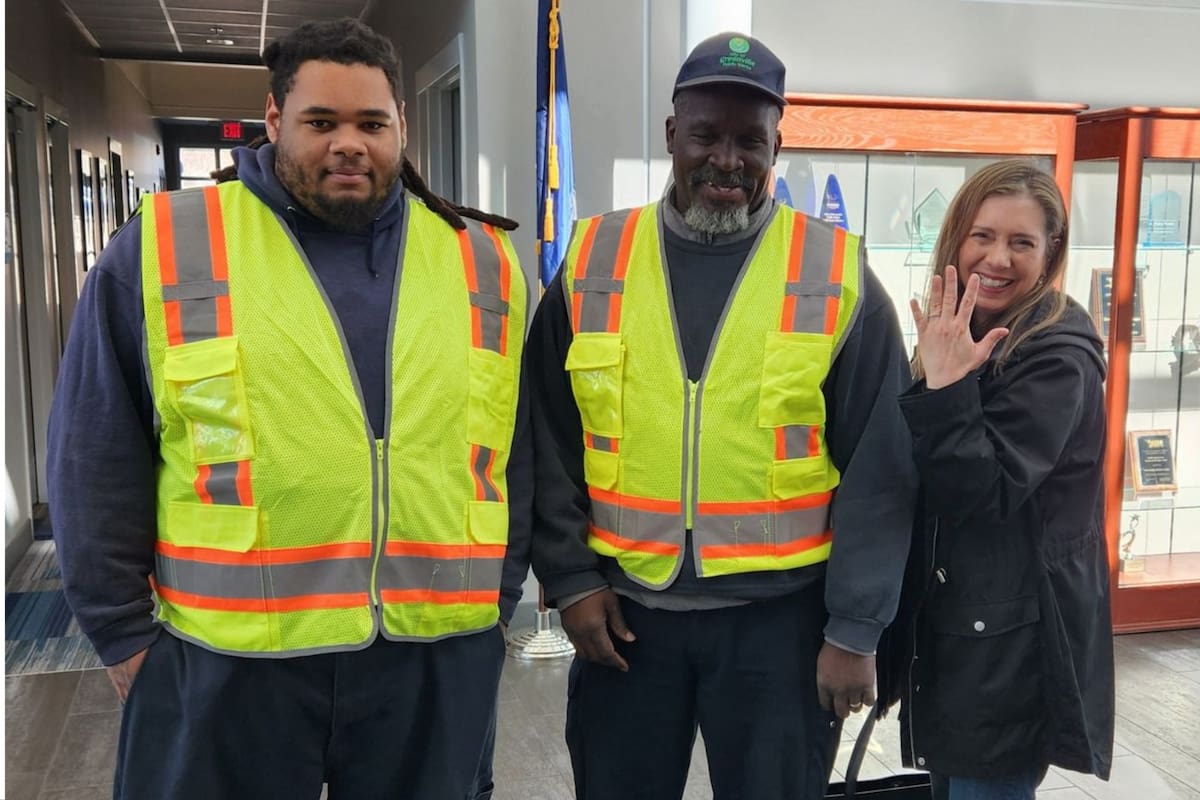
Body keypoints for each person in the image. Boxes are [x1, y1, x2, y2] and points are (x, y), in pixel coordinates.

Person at [47, 18, 530, 800]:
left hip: (434, 652)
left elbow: (517, 449)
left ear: (401, 125)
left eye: (372, 124)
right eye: (321, 122)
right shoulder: (169, 243)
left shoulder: (483, 258)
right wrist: (120, 632)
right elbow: (95, 447)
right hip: (231, 660)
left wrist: (499, 605)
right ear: (274, 121)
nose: (350, 144)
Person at [527, 32, 917, 800]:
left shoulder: (835, 274)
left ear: (779, 143)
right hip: (626, 616)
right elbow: (547, 434)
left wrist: (854, 629)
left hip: (782, 629)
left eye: (751, 140)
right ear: (673, 135)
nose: (728, 160)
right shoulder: (595, 260)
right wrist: (570, 581)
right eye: (706, 134)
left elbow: (883, 467)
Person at [898, 159, 1114, 799]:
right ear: (956, 239)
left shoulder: (1057, 354)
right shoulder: (960, 328)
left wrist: (946, 384)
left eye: (1022, 242)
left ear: (1050, 253)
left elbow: (982, 493)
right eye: (983, 236)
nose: (998, 258)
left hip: (1010, 647)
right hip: (958, 634)